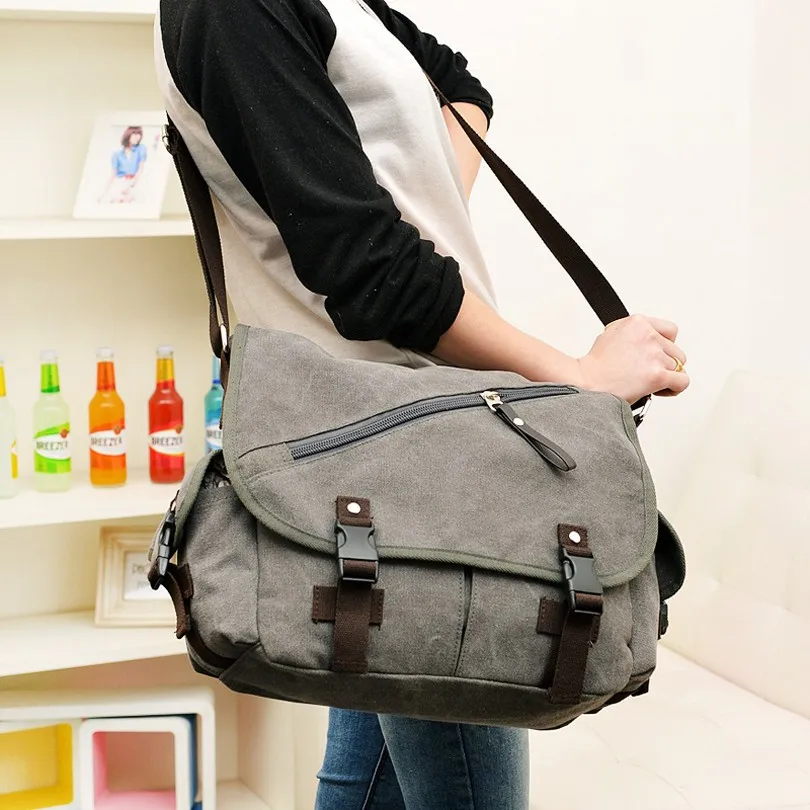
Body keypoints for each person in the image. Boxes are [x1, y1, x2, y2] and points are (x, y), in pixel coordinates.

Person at [154, 0, 690, 807]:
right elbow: (372, 272)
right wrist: (576, 377)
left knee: (365, 783)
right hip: (406, 467)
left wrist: (414, 215)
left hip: (398, 456)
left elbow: (459, 85)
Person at [99, 126, 148, 204]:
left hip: (134, 182)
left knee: (132, 199)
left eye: (139, 134)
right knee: (111, 199)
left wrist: (132, 184)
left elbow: (140, 169)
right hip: (120, 181)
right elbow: (113, 175)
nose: (138, 137)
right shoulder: (117, 154)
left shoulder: (141, 149)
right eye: (135, 133)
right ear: (128, 135)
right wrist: (105, 192)